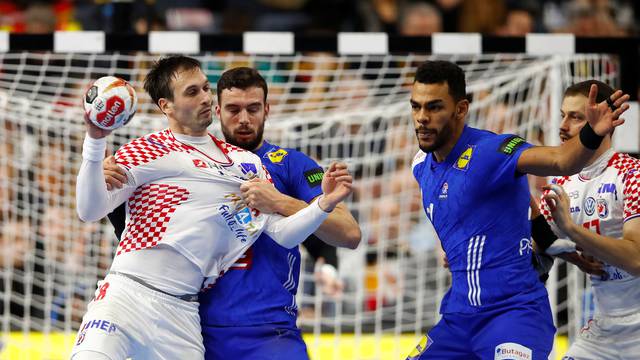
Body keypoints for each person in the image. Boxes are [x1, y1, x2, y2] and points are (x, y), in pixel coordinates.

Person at [72, 56, 354, 360]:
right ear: (166, 105)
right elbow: (89, 211)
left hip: (183, 314)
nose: (206, 97)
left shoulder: (245, 163)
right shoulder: (145, 149)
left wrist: (324, 204)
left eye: (206, 88)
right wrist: (95, 141)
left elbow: (282, 233)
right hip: (125, 297)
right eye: (193, 92)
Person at [405, 60, 629, 359]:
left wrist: (592, 132)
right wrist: (547, 241)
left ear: (460, 109)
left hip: (513, 316)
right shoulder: (420, 165)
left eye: (434, 107)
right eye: (416, 107)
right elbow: (505, 202)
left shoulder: (493, 150)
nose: (422, 118)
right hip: (458, 319)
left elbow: (562, 160)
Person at [540, 80, 640, 360]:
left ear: (605, 123)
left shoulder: (632, 175)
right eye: (563, 115)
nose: (563, 126)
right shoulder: (560, 183)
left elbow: (636, 259)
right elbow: (534, 241)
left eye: (576, 117)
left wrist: (571, 231)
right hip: (604, 330)